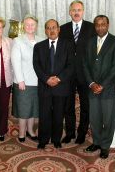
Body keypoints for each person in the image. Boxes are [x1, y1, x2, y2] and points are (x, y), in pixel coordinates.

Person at [83, 15, 115, 159]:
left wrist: (102, 84)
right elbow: (85, 65)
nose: (100, 27)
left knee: (108, 119)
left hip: (108, 88)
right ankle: (97, 142)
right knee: (94, 118)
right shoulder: (89, 42)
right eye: (97, 25)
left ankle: (105, 146)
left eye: (103, 24)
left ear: (108, 25)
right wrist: (91, 83)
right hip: (92, 88)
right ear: (95, 26)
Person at [33, 19, 74, 149]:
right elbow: (37, 65)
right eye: (48, 28)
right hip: (45, 86)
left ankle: (57, 139)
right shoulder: (39, 46)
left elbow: (70, 65)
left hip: (61, 86)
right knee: (44, 115)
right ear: (45, 31)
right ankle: (43, 140)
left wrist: (59, 79)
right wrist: (47, 79)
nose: (51, 30)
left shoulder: (67, 45)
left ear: (58, 29)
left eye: (54, 27)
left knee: (58, 114)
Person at [59, 0, 96, 144]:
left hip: (85, 74)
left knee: (85, 105)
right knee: (68, 106)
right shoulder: (62, 28)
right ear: (69, 12)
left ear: (83, 11)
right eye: (73, 10)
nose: (76, 12)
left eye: (79, 10)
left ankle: (81, 133)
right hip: (67, 75)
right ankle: (69, 133)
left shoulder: (92, 28)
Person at [11, 14, 43, 142]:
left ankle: (31, 131)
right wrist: (20, 80)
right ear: (23, 26)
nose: (30, 26)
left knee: (34, 109)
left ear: (36, 26)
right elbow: (15, 61)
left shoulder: (42, 40)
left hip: (38, 81)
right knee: (24, 109)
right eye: (27, 24)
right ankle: (22, 133)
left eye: (32, 24)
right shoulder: (17, 40)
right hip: (23, 82)